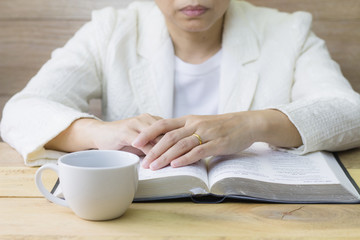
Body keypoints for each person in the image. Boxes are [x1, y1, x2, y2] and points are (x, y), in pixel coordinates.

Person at [1, 0, 360, 169]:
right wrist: (98, 133)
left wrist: (252, 124)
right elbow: (21, 111)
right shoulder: (110, 30)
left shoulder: (288, 31)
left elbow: (349, 112)